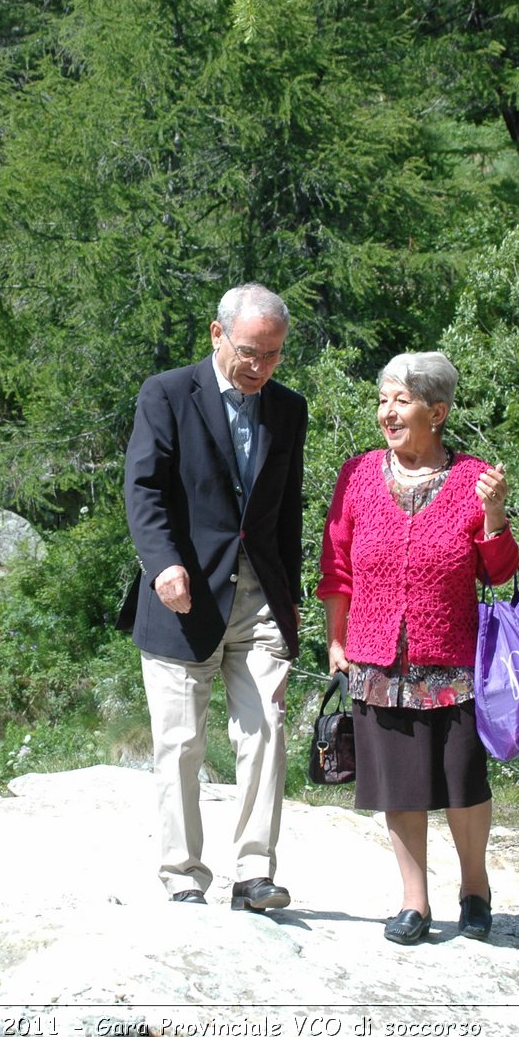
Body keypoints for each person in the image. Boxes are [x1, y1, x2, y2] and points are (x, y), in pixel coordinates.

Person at [317, 351, 518, 944]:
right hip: (375, 656)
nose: (387, 412)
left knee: (462, 781)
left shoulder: (473, 478)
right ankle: (413, 902)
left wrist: (495, 514)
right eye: (383, 400)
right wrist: (336, 639)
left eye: (400, 401)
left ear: (437, 411)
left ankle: (475, 890)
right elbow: (336, 567)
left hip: (451, 657)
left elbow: (500, 575)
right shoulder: (356, 475)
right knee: (398, 784)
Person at [119, 282, 308, 911]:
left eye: (274, 355)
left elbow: (286, 511)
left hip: (259, 598)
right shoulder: (167, 394)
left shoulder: (288, 409)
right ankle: (182, 874)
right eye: (251, 352)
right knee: (180, 743)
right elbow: (143, 489)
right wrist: (161, 564)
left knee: (267, 730)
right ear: (217, 334)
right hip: (183, 595)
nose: (260, 367)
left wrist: (293, 594)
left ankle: (254, 873)